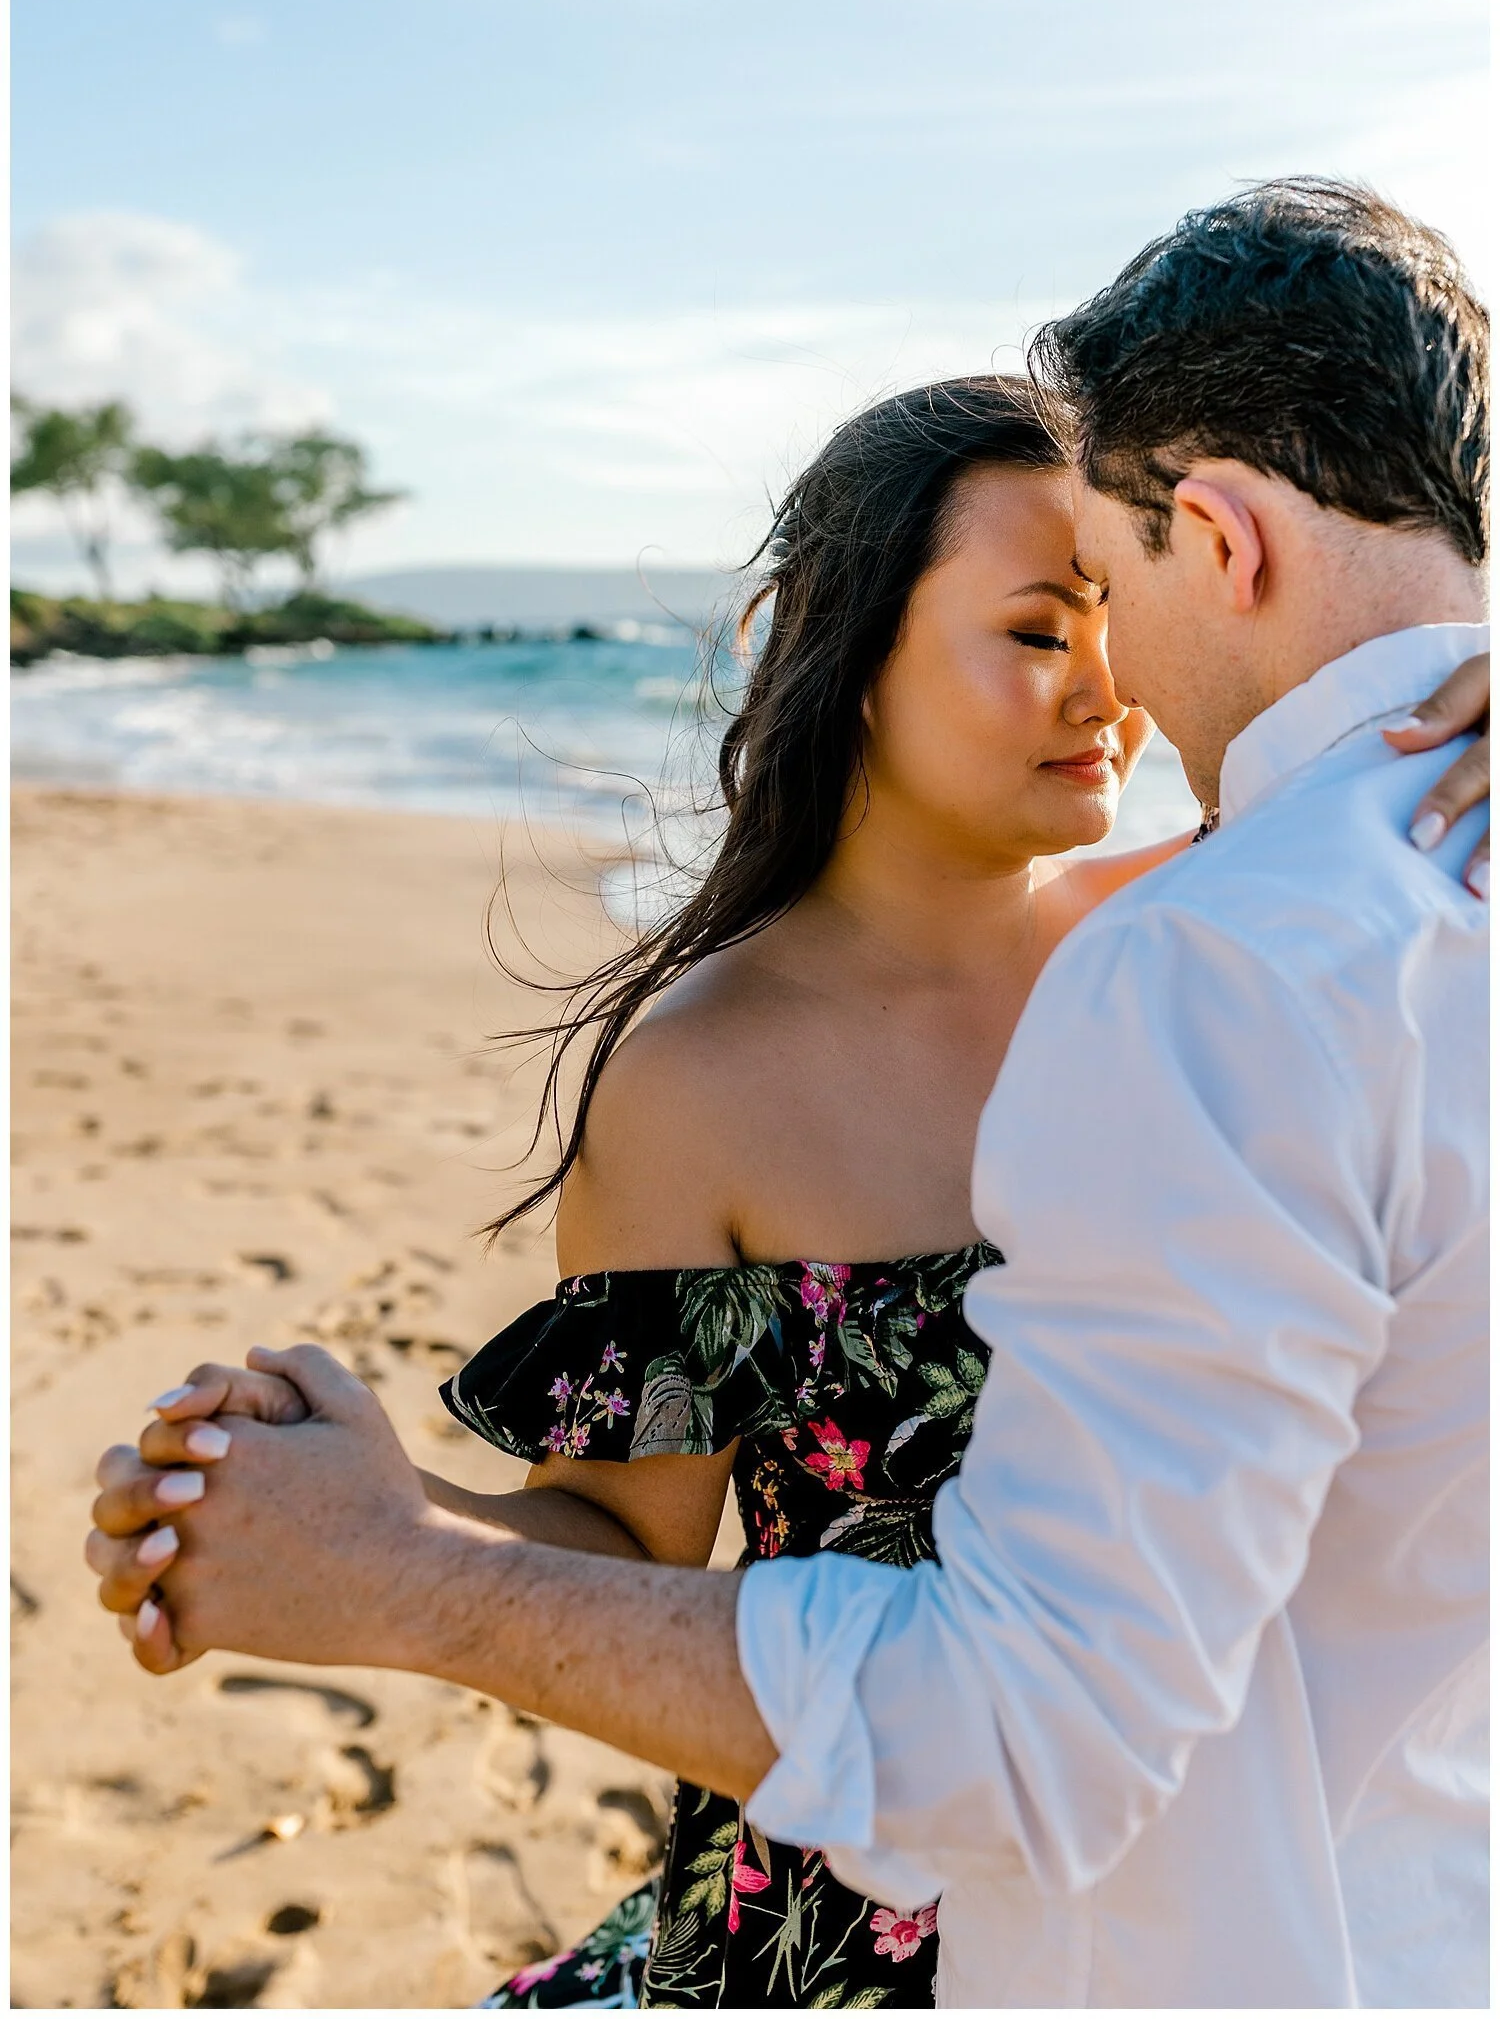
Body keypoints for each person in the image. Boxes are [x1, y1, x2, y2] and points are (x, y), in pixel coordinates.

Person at [88, 180, 1487, 2009]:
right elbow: (624, 1533)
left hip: (1134, 1881)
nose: (1113, 684)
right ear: (842, 653)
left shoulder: (1209, 929)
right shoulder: (704, 1079)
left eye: (1107, 604)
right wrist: (340, 1526)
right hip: (849, 1885)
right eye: (1036, 630)